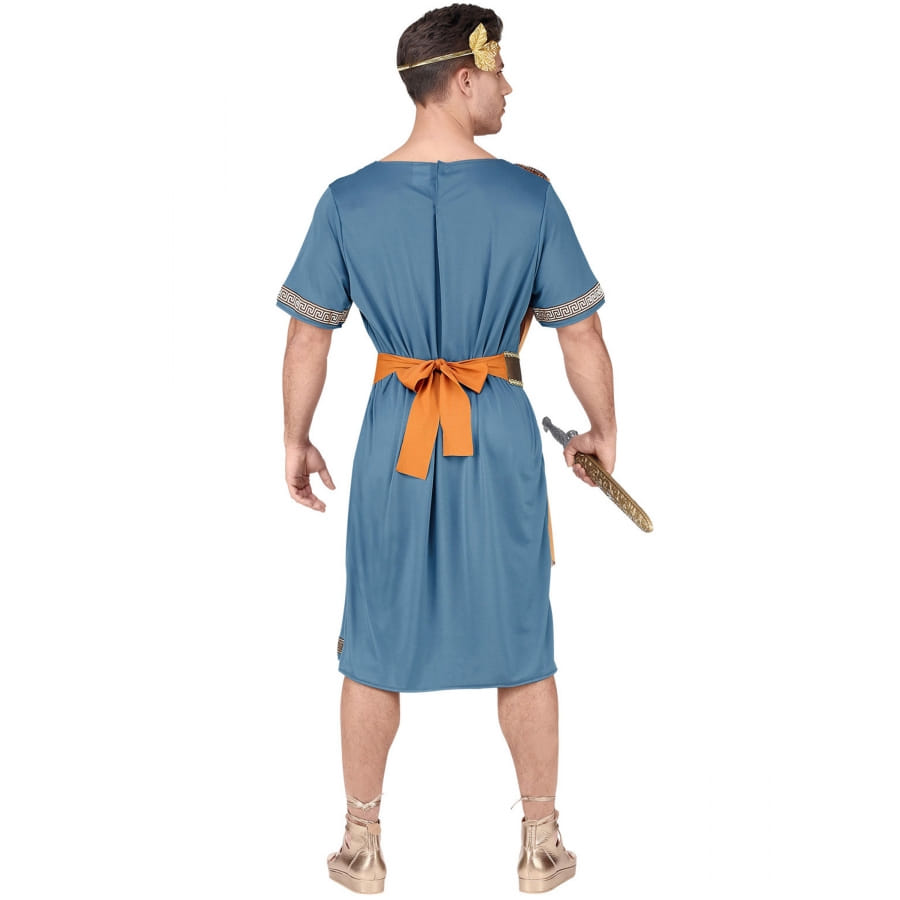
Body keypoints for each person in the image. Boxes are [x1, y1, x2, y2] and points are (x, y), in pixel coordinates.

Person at [277, 5, 616, 893]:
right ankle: (540, 844)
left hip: (395, 434)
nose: (510, 88)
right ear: (464, 78)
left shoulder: (347, 198)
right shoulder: (530, 196)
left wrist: (296, 438)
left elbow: (309, 337)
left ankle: (361, 845)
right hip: (497, 430)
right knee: (523, 639)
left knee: (373, 641)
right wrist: (602, 431)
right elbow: (580, 333)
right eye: (500, 72)